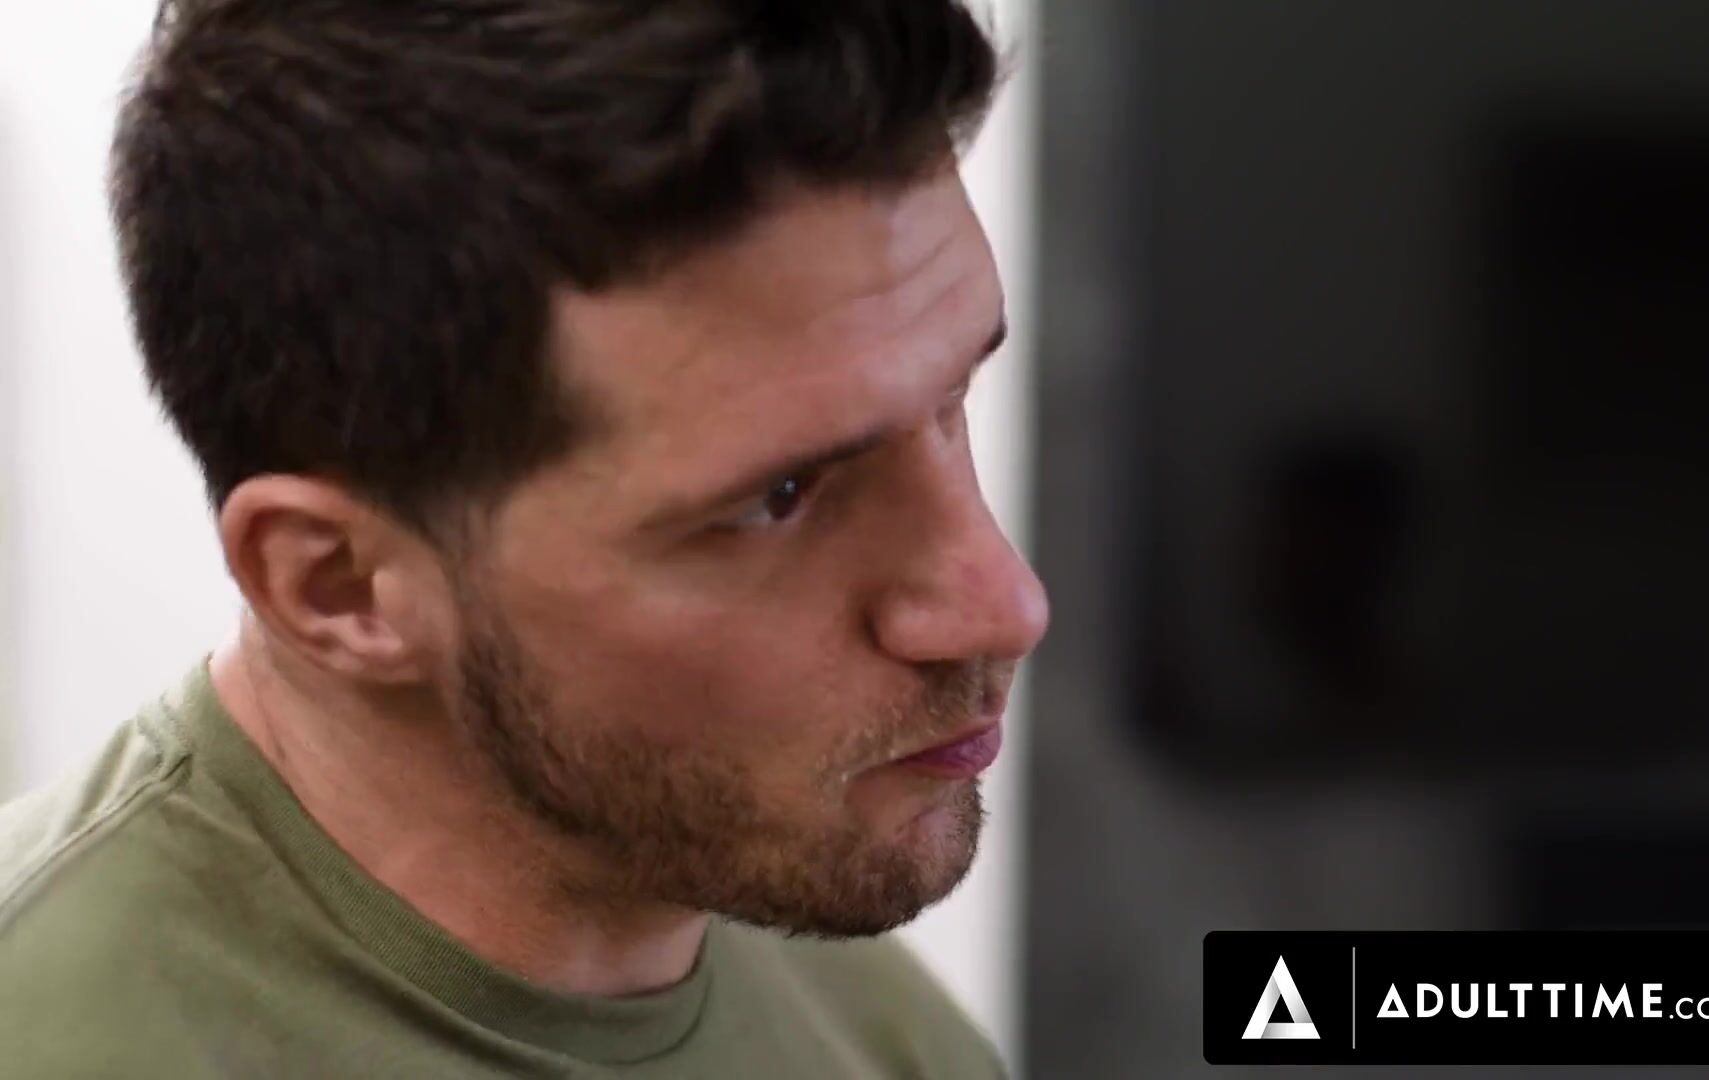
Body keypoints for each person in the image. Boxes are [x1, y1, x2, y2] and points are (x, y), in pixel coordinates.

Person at [0, 0, 1049, 1075]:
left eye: (953, 399)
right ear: (341, 586)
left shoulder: (879, 1032)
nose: (1003, 604)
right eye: (778, 496)